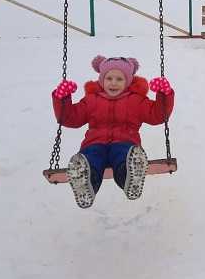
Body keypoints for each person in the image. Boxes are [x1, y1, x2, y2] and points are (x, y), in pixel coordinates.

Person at [52, 55, 174, 208]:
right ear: (102, 80)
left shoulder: (136, 101)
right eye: (109, 78)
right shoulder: (91, 100)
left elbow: (157, 115)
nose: (113, 83)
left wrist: (164, 94)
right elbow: (70, 118)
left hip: (125, 142)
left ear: (128, 81)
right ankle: (85, 184)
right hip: (94, 144)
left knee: (124, 157)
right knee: (90, 159)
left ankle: (131, 179)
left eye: (119, 79)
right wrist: (62, 99)